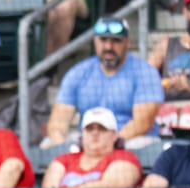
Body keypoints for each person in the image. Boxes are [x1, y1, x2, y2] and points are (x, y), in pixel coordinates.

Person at [46, 18, 164, 148]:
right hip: (89, 139)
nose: (108, 47)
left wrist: (108, 144)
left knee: (136, 145)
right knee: (48, 144)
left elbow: (142, 123)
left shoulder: (145, 72)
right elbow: (57, 123)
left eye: (116, 41)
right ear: (95, 41)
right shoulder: (78, 72)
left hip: (129, 140)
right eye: (103, 40)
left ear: (127, 43)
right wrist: (60, 145)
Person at [41, 108, 144, 188]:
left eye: (102, 128)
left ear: (114, 135)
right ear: (82, 134)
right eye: (89, 129)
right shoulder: (63, 160)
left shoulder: (125, 157)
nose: (95, 133)